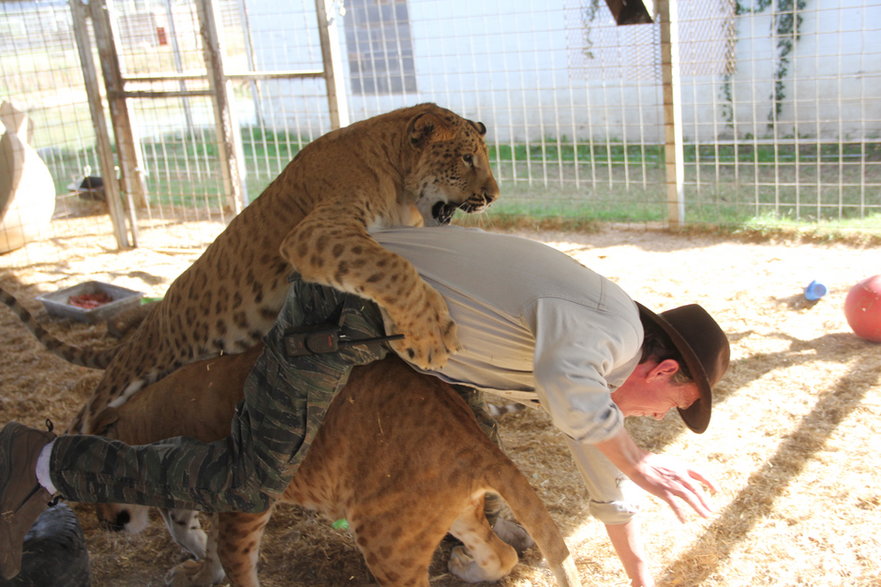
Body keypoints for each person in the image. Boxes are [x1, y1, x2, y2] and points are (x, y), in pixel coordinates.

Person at [1, 225, 729, 586]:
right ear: (661, 367)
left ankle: (454, 524)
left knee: (453, 429)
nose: (659, 418)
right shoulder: (613, 331)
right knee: (250, 479)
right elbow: (578, 400)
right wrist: (640, 461)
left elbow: (594, 462)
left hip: (382, 332)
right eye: (675, 401)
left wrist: (636, 569)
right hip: (337, 314)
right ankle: (41, 459)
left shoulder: (596, 376)